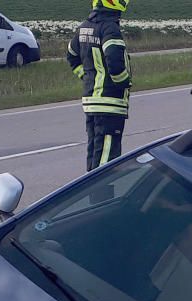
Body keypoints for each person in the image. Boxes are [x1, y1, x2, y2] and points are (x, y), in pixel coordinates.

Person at [67, 0, 132, 172]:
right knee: (106, 163)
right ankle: (101, 190)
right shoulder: (110, 28)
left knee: (94, 154)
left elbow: (72, 55)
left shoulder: (84, 27)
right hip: (109, 103)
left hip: (92, 102)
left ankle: (91, 187)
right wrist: (123, 83)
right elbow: (115, 63)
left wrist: (87, 77)